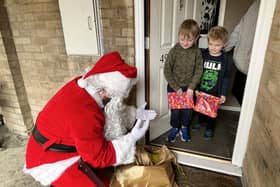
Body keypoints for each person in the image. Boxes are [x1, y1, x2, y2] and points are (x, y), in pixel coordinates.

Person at [23, 51, 156, 187]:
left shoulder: (85, 84)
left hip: (61, 142)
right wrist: (131, 138)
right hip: (49, 158)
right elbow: (98, 157)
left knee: (105, 174)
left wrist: (134, 114)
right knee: (100, 184)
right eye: (114, 95)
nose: (116, 99)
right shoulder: (85, 115)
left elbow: (110, 113)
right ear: (103, 91)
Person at [164, 19, 203, 143]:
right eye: (182, 39)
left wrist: (191, 87)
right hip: (174, 87)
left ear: (196, 38)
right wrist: (176, 88)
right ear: (179, 36)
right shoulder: (174, 51)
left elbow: (198, 70)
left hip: (189, 88)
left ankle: (184, 128)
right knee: (175, 111)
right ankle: (175, 128)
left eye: (189, 40)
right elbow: (167, 71)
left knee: (187, 111)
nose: (185, 43)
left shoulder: (197, 52)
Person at [193, 26, 232, 140]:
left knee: (211, 112)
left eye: (217, 45)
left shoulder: (226, 59)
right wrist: (195, 88)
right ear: (208, 42)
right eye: (211, 44)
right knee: (200, 108)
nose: (213, 48)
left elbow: (226, 77)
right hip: (202, 88)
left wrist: (223, 93)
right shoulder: (202, 54)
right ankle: (200, 121)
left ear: (224, 44)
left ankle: (210, 128)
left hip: (215, 91)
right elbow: (196, 71)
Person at [224, 0, 260, 104]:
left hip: (252, 63)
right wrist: (225, 48)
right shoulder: (255, 6)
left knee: (249, 99)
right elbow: (239, 30)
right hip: (243, 61)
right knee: (240, 93)